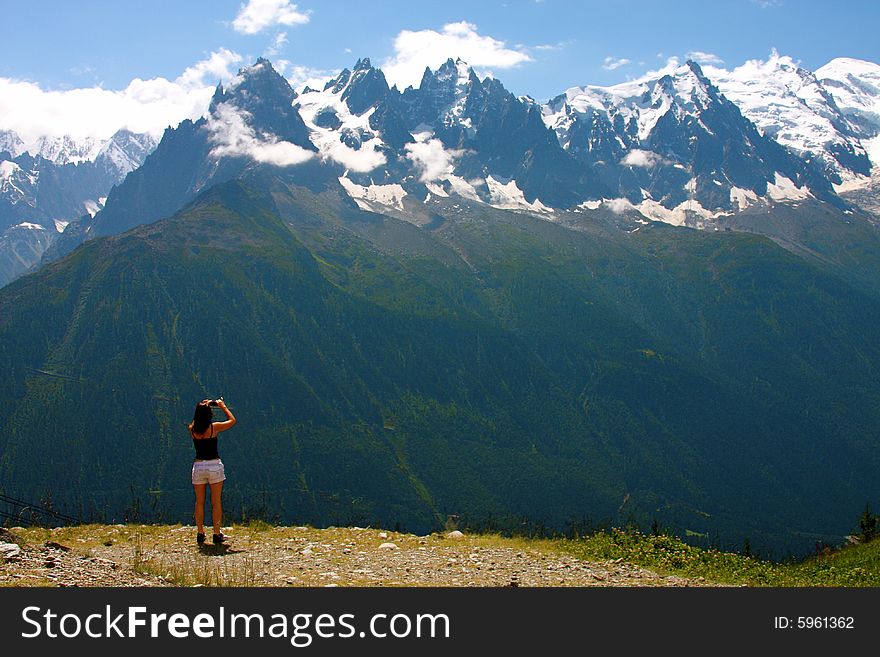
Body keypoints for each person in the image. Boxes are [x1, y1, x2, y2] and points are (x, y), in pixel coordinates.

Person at [189, 398, 236, 545]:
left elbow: (197, 420)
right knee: (216, 502)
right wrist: (222, 406)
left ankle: (200, 532)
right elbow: (232, 420)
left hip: (198, 466)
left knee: (199, 502)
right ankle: (216, 533)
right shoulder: (214, 428)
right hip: (214, 465)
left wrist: (203, 407)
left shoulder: (192, 429)